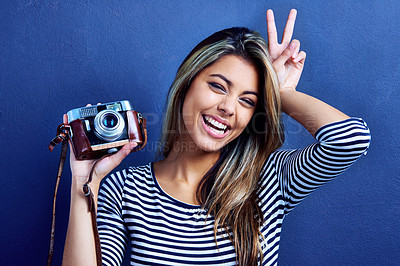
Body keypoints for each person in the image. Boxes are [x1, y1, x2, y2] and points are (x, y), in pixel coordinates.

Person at [62, 9, 371, 266]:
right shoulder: (124, 189)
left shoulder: (269, 180)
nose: (227, 108)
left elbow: (350, 141)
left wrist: (281, 93)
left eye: (248, 101)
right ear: (187, 84)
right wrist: (82, 184)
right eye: (218, 86)